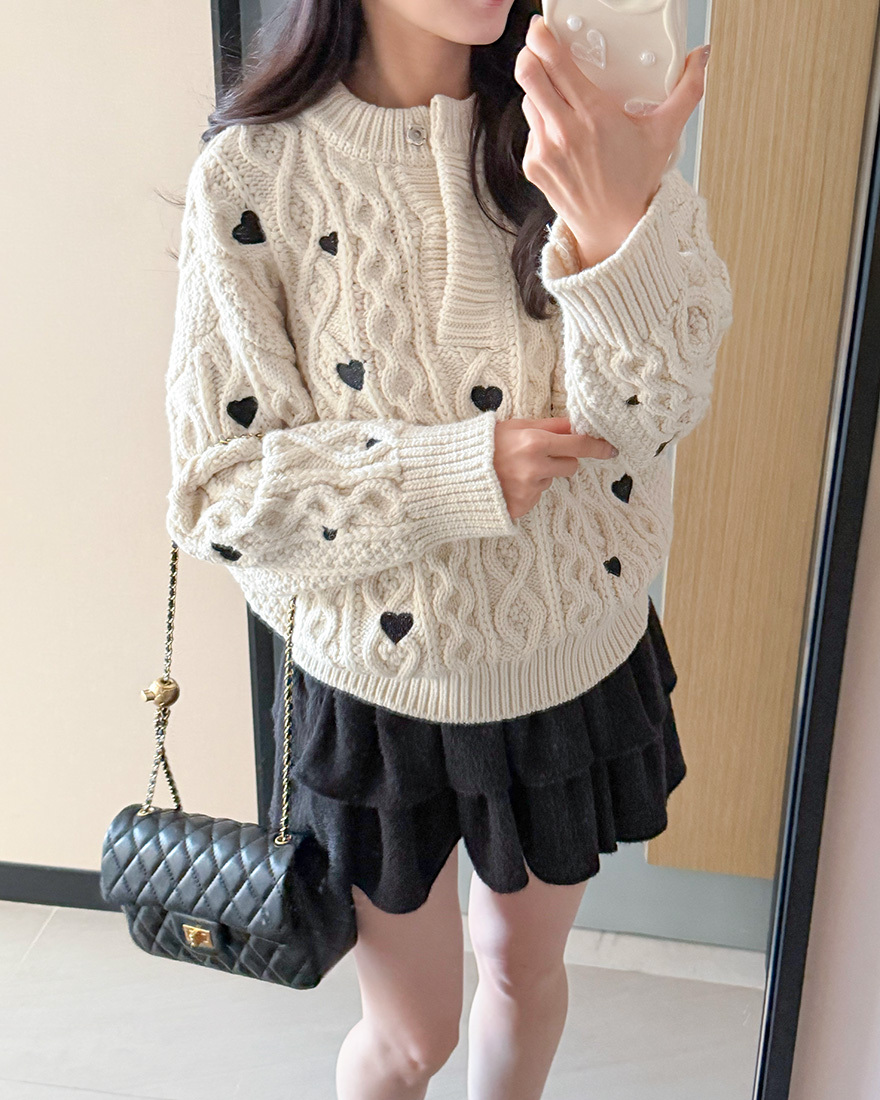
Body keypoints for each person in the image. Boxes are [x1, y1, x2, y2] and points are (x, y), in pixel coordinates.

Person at [163, 1, 733, 1096]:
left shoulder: (583, 120)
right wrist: (451, 473)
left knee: (524, 969)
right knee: (409, 1035)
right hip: (381, 688)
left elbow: (657, 409)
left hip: (568, 657)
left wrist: (615, 227)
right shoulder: (254, 173)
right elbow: (217, 492)